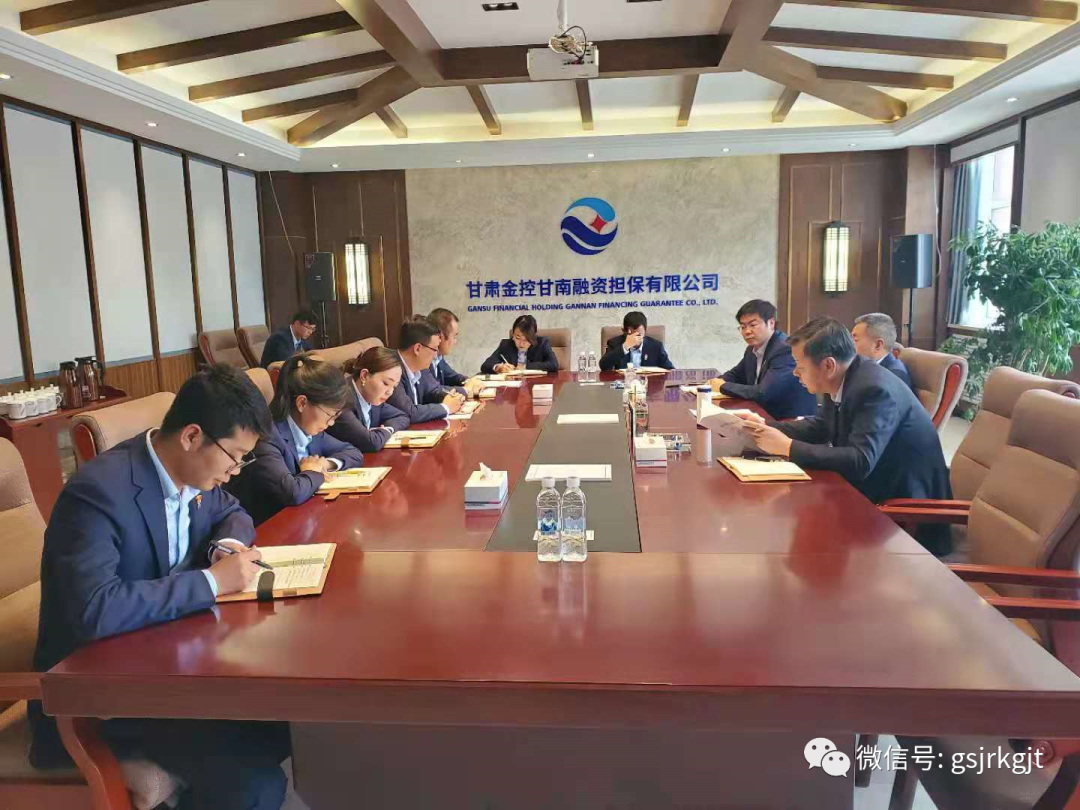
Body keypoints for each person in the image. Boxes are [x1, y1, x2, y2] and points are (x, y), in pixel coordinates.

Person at [30, 365, 291, 810]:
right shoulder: (97, 494)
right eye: (234, 457)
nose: (235, 471)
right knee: (255, 787)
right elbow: (94, 609)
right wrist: (211, 582)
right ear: (192, 436)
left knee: (285, 726)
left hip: (167, 668)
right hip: (98, 697)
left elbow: (233, 511)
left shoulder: (193, 474)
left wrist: (225, 547)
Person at [740, 317, 952, 554]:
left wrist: (787, 447)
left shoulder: (874, 389)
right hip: (873, 492)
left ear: (828, 365)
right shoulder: (844, 376)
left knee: (795, 522)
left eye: (800, 366)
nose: (795, 373)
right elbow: (823, 426)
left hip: (905, 516)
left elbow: (861, 460)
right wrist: (766, 427)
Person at [227, 353, 363, 525]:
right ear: (302, 403)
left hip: (303, 518)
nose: (331, 423)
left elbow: (353, 452)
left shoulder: (310, 428)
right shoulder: (267, 438)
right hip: (269, 527)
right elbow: (292, 492)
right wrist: (312, 472)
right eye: (330, 415)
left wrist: (324, 464)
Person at [708, 299, 817, 419]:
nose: (747, 331)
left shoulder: (784, 349)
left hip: (788, 419)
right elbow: (737, 374)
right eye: (743, 327)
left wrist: (723, 386)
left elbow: (764, 392)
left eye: (753, 325)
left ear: (771, 323)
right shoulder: (752, 349)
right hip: (762, 413)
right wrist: (714, 382)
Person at [328, 346, 411, 453]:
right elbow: (371, 443)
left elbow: (402, 416)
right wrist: (384, 433)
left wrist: (387, 429)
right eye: (386, 383)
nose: (390, 392)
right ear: (364, 375)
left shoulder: (372, 396)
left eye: (394, 386)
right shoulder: (342, 400)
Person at [388, 317, 466, 423]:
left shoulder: (420, 368)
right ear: (417, 348)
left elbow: (433, 391)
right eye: (434, 349)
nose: (436, 355)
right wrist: (446, 407)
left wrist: (452, 398)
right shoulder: (391, 369)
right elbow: (409, 412)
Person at [480, 314, 560, 374]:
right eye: (518, 338)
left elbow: (554, 364)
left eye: (526, 339)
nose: (521, 343)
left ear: (533, 337)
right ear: (513, 335)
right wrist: (498, 367)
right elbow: (485, 365)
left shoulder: (542, 343)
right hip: (512, 386)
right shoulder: (506, 345)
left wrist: (524, 366)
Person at [599, 311, 674, 371]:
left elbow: (670, 370)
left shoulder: (656, 346)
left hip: (648, 384)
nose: (634, 339)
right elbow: (603, 366)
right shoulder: (614, 343)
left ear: (645, 331)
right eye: (630, 335)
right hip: (623, 384)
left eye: (638, 335)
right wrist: (625, 346)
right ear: (624, 331)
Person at [852, 312, 912, 388]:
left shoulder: (893, 376)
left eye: (855, 340)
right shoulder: (865, 367)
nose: (851, 344)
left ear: (878, 345)